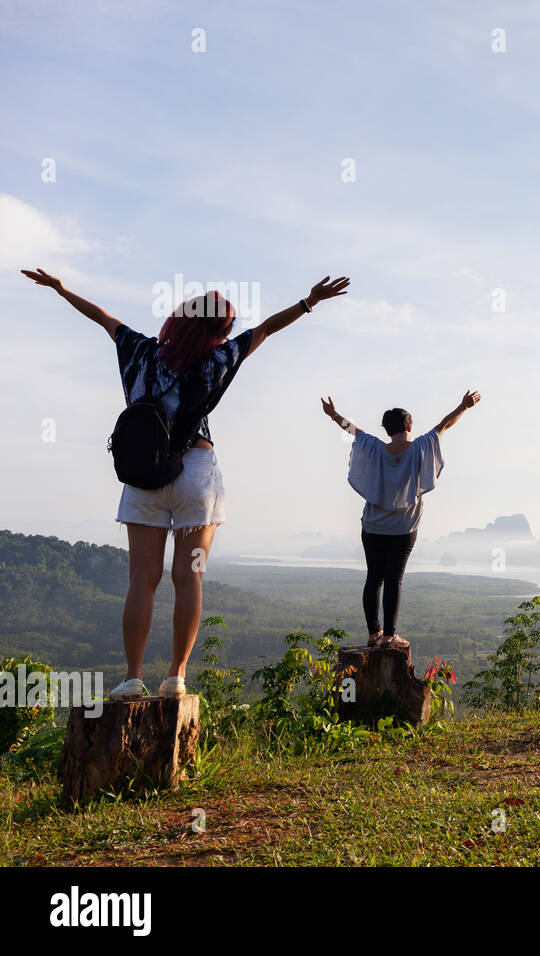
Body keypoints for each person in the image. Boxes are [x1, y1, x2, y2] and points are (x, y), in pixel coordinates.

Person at [21, 267, 350, 700]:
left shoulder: (140, 351)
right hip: (196, 472)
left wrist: (62, 289)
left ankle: (132, 676)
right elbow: (267, 328)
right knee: (189, 576)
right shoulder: (216, 359)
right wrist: (308, 302)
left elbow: (101, 317)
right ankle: (176, 676)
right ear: (220, 329)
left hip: (144, 471)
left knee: (141, 579)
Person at [322, 390, 481, 649]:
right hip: (404, 528)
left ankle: (374, 634)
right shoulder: (419, 448)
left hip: (373, 525)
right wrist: (464, 406)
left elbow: (352, 430)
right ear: (409, 426)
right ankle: (389, 636)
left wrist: (333, 415)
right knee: (394, 579)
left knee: (374, 578)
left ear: (386, 430)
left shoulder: (374, 447)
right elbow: (445, 425)